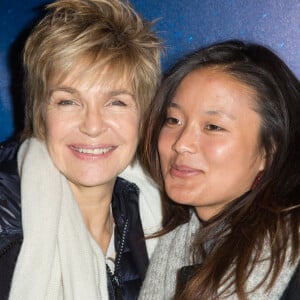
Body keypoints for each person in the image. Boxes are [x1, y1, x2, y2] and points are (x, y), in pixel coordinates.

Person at [0, 0, 162, 299]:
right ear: (39, 112)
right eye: (68, 101)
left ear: (145, 115)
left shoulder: (162, 214)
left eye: (116, 102)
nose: (92, 125)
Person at [139, 40, 300, 299]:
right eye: (173, 120)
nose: (181, 144)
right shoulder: (180, 237)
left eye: (213, 126)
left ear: (269, 151)